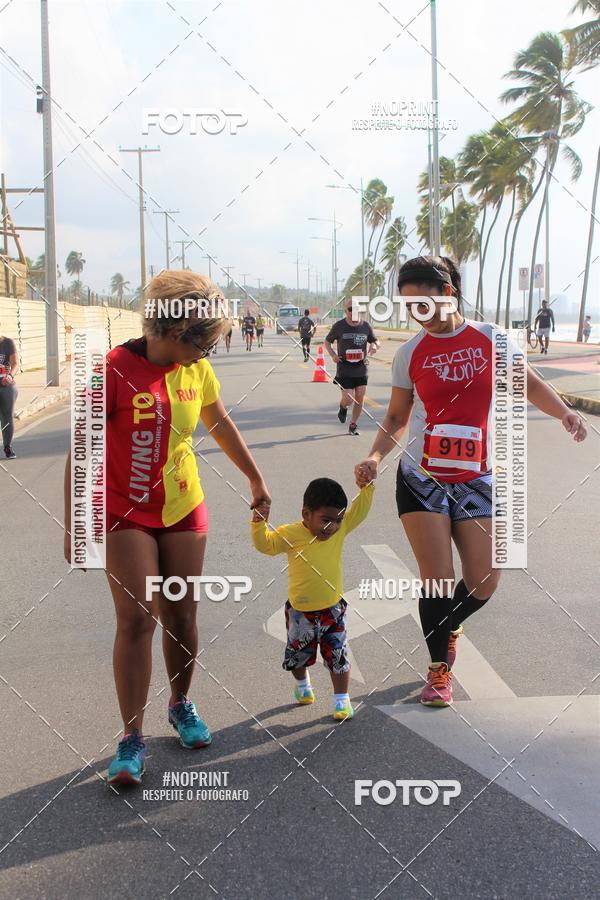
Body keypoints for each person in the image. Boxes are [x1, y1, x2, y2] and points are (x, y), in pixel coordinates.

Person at [63, 271, 271, 785]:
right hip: (122, 512)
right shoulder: (110, 369)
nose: (209, 352)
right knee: (137, 619)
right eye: (206, 341)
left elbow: (218, 422)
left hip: (183, 507)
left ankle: (180, 704)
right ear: (177, 334)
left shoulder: (195, 372)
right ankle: (130, 738)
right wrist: (73, 519)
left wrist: (255, 477)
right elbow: (81, 446)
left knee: (181, 616)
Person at [355, 256, 587, 708]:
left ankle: (448, 625)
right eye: (408, 306)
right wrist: (375, 454)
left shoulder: (489, 338)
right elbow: (398, 417)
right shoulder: (409, 354)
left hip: (477, 477)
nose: (417, 314)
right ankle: (439, 670)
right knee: (437, 581)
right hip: (422, 478)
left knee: (484, 581)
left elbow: (528, 382)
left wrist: (564, 412)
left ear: (448, 294)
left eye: (423, 303)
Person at [252, 477, 374, 720]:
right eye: (326, 520)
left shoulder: (340, 530)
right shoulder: (291, 534)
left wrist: (367, 486)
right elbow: (265, 545)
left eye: (338, 521)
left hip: (333, 611)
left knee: (338, 656)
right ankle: (303, 687)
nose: (333, 527)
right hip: (300, 613)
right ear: (306, 514)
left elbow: (359, 511)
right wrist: (259, 523)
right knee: (298, 657)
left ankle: (342, 701)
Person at [324, 299, 379, 436]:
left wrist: (374, 346)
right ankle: (343, 407)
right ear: (345, 311)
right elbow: (327, 341)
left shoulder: (366, 326)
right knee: (349, 398)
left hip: (361, 368)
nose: (353, 312)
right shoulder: (339, 326)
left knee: (359, 398)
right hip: (345, 369)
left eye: (356, 309)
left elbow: (375, 340)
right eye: (350, 309)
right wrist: (333, 355)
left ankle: (353, 424)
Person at [0, 329, 18, 459]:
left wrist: (10, 376)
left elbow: (15, 363)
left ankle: (8, 447)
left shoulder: (8, 343)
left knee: (7, 416)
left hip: (6, 385)